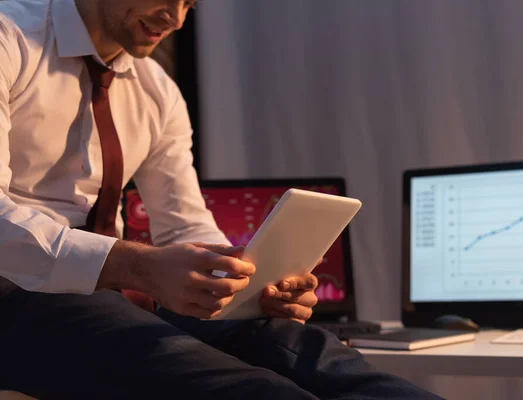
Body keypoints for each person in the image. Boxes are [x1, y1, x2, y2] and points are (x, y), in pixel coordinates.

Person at [0, 0, 442, 398]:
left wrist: (243, 281)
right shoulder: (10, 38)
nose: (173, 19)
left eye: (189, 4)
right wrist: (137, 265)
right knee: (250, 389)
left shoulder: (157, 90)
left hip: (116, 293)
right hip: (14, 292)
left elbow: (185, 225)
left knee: (322, 359)